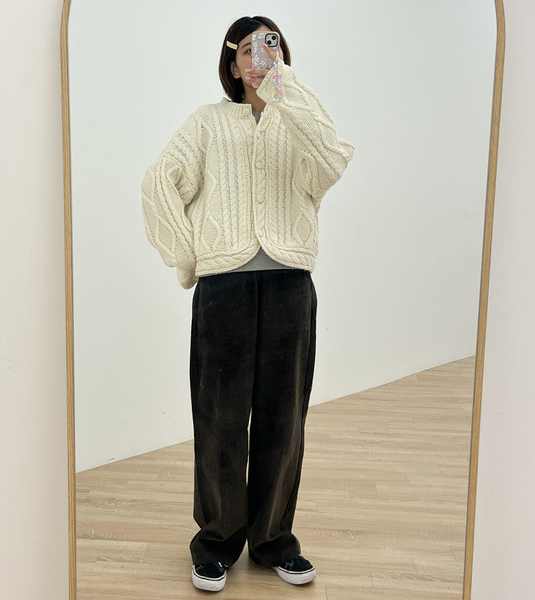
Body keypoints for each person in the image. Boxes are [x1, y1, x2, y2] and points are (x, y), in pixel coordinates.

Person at [141, 15, 354, 592]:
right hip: (224, 291)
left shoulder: (298, 122)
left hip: (289, 286)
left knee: (284, 421)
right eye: (251, 49)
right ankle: (215, 542)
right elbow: (159, 183)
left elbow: (333, 161)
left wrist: (284, 88)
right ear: (232, 62)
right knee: (220, 420)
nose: (262, 57)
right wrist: (190, 257)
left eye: (272, 45)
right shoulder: (206, 124)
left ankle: (273, 541)